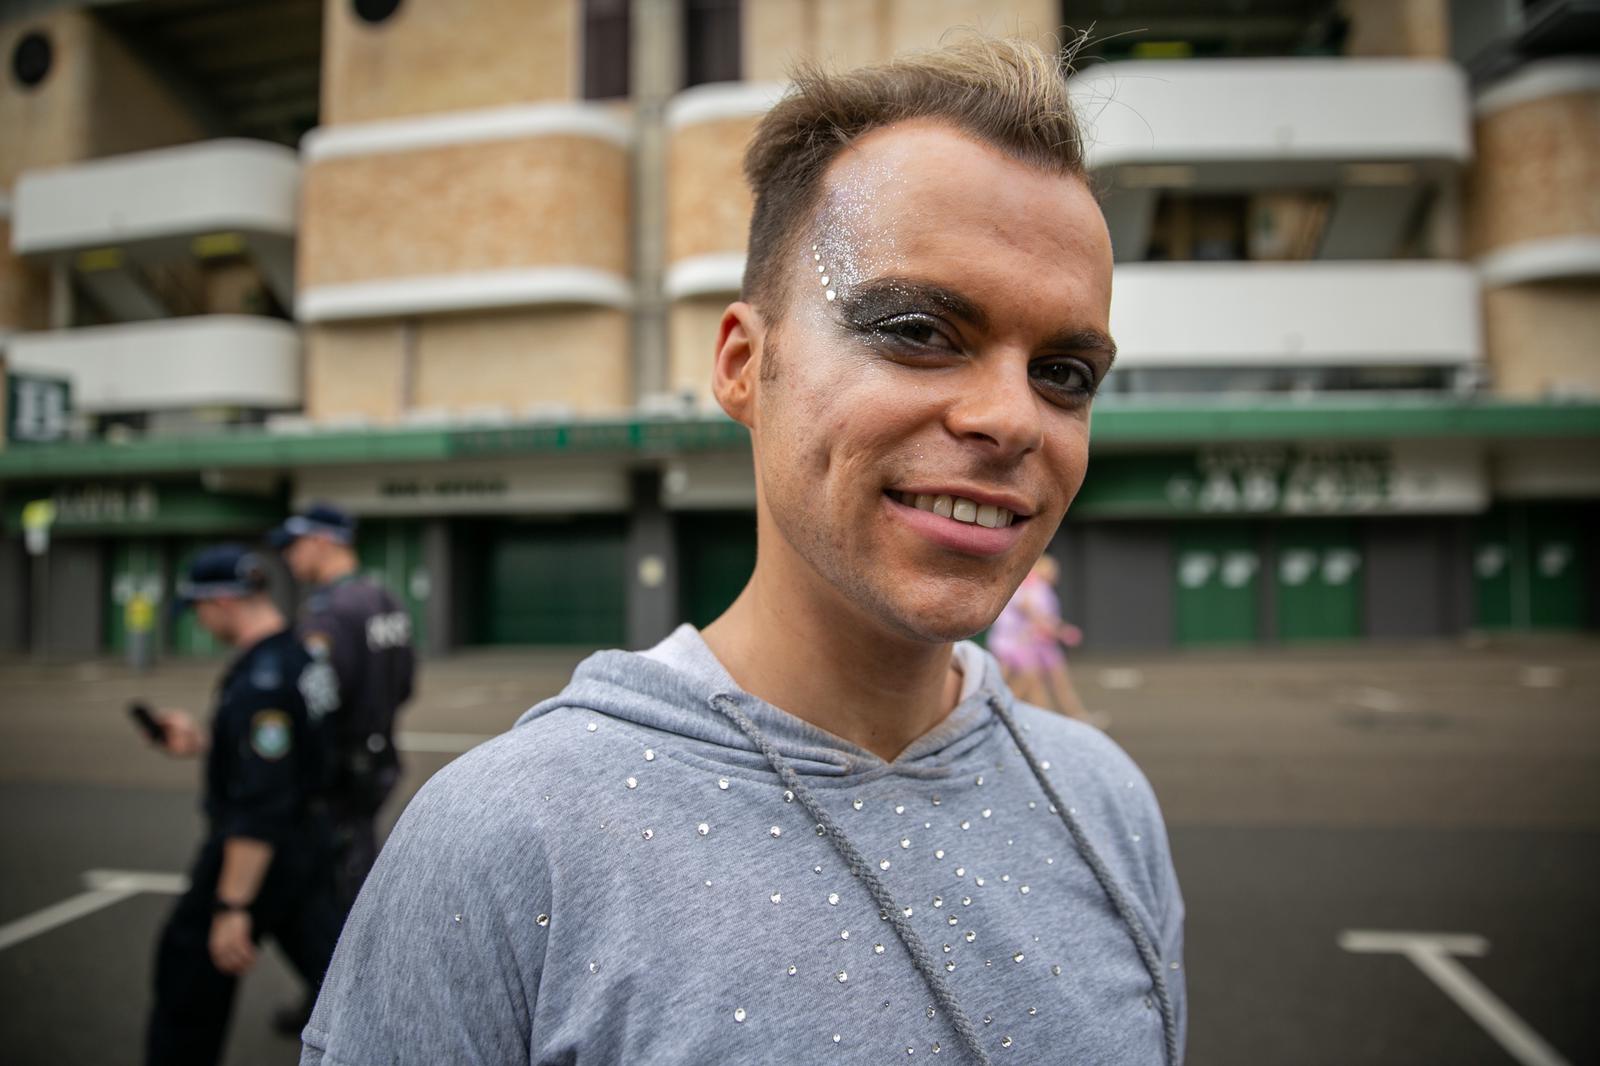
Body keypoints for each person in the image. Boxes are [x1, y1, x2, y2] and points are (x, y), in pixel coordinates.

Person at [303, 35, 1185, 1065]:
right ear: (741, 365)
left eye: (1065, 372)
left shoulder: (1108, 804)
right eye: (916, 329)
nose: (1012, 419)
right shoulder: (504, 841)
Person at [143, 546, 339, 1065]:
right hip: (311, 844)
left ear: (224, 601)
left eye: (200, 609)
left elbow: (262, 801)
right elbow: (287, 756)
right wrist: (208, 741)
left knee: (186, 982)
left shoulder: (261, 681)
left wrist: (232, 907)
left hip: (266, 852)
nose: (202, 622)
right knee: (343, 978)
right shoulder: (299, 655)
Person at [267, 503, 415, 1033]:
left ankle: (352, 1015)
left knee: (332, 896)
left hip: (338, 777)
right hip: (377, 762)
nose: (288, 557)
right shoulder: (384, 599)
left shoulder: (329, 614)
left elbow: (315, 703)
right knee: (353, 879)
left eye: (294, 545)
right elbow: (405, 684)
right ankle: (330, 999)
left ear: (323, 543)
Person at [988, 554, 1095, 723]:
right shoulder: (1030, 587)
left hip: (1026, 641)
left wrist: (1057, 630)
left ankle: (1047, 719)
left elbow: (1040, 616)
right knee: (1024, 683)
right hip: (1018, 642)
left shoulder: (1038, 588)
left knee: (1036, 682)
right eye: (1050, 569)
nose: (1054, 573)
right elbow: (1034, 615)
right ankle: (1000, 717)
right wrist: (1061, 632)